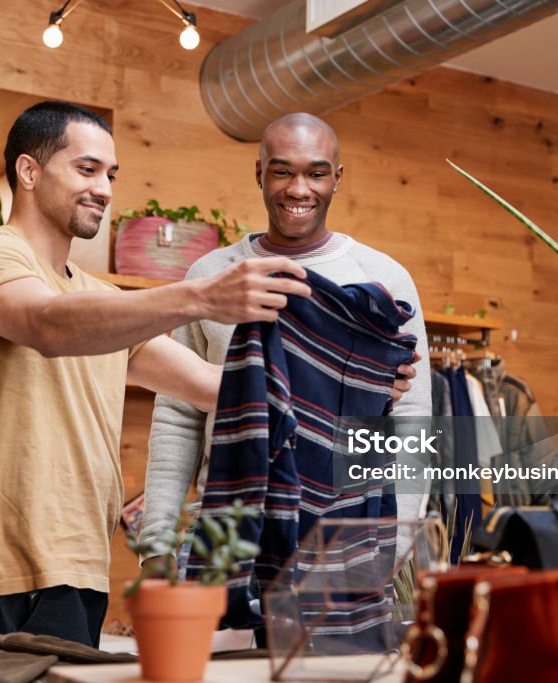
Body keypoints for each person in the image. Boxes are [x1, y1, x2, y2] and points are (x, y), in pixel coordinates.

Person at [0, 101, 315, 650]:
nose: (105, 189)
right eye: (87, 169)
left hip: (82, 569)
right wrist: (198, 297)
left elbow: (214, 388)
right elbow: (44, 322)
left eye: (110, 175)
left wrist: (351, 380)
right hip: (4, 573)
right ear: (29, 172)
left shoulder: (101, 302)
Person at [140, 112, 431, 573]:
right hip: (223, 535)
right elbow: (178, 414)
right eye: (282, 171)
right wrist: (156, 542)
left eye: (316, 173)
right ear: (259, 173)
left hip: (343, 540)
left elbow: (412, 419)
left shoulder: (384, 280)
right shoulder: (211, 277)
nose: (299, 189)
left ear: (337, 178)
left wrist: (394, 547)